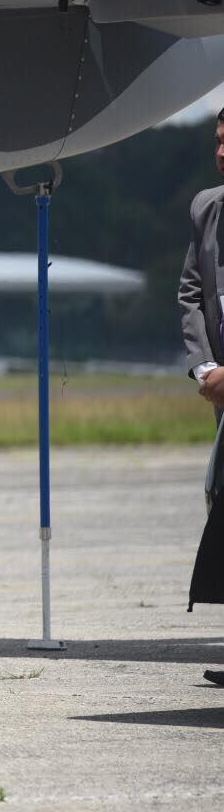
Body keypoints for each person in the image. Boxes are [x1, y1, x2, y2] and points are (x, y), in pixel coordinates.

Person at [178, 106, 224, 686]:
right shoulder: (206, 209)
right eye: (217, 140)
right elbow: (191, 293)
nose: (221, 152)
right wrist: (207, 370)